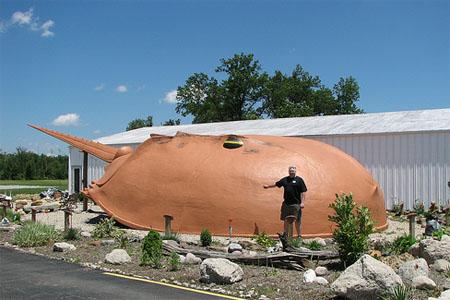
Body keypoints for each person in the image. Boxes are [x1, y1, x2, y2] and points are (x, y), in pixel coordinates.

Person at [263, 166, 307, 238]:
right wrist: (268, 186)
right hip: (286, 204)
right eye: (290, 171)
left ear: (295, 171)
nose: (291, 172)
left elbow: (303, 192)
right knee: (286, 219)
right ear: (288, 171)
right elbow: (276, 184)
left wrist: (302, 202)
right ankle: (285, 234)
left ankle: (299, 235)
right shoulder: (285, 179)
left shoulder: (299, 180)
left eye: (293, 171)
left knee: (297, 220)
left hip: (296, 204)